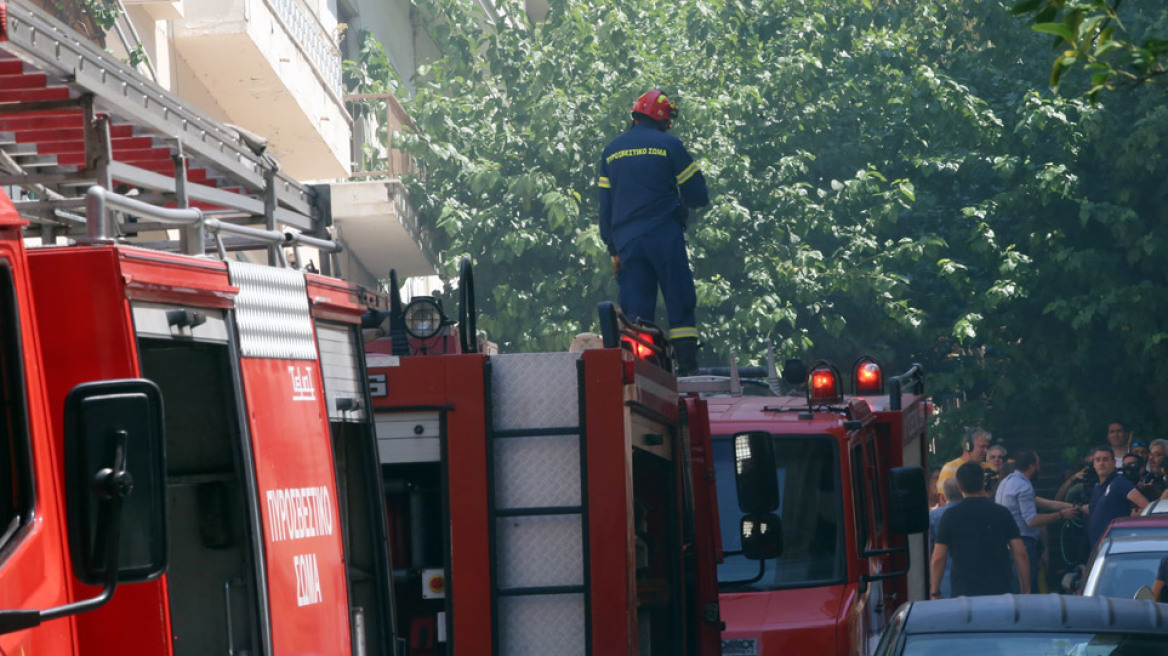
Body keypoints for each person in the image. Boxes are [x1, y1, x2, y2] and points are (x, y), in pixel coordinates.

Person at [598, 89, 709, 375]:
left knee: (635, 309)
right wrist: (682, 204)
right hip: (664, 236)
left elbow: (605, 210)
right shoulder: (669, 145)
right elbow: (698, 194)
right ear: (662, 118)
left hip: (628, 242)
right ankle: (687, 366)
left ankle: (642, 369)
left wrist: (613, 250)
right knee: (679, 297)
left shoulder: (611, 152)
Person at [931, 462, 1030, 598]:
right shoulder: (1002, 513)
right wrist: (1025, 589)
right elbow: (1020, 553)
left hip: (964, 591)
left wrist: (935, 591)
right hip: (1000, 590)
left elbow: (938, 558)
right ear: (983, 482)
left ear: (960, 487)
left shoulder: (950, 516)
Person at [994, 450, 1077, 593]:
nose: (1039, 468)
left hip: (1005, 541)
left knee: (1013, 585)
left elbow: (1040, 502)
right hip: (1023, 542)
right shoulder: (1024, 486)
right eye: (1038, 465)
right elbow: (1032, 520)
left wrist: (1074, 507)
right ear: (1032, 467)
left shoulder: (1006, 482)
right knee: (1024, 586)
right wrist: (1061, 515)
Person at [1084, 445, 1149, 548]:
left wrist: (1136, 518)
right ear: (1094, 464)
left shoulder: (1119, 482)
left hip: (1116, 546)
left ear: (1113, 462)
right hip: (1098, 548)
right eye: (1098, 460)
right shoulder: (1097, 487)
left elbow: (1145, 505)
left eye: (1105, 459)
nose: (1101, 463)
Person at [928, 477, 961, 597]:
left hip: (943, 579)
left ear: (943, 497)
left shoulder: (933, 516)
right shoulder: (975, 513)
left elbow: (931, 552)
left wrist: (933, 589)